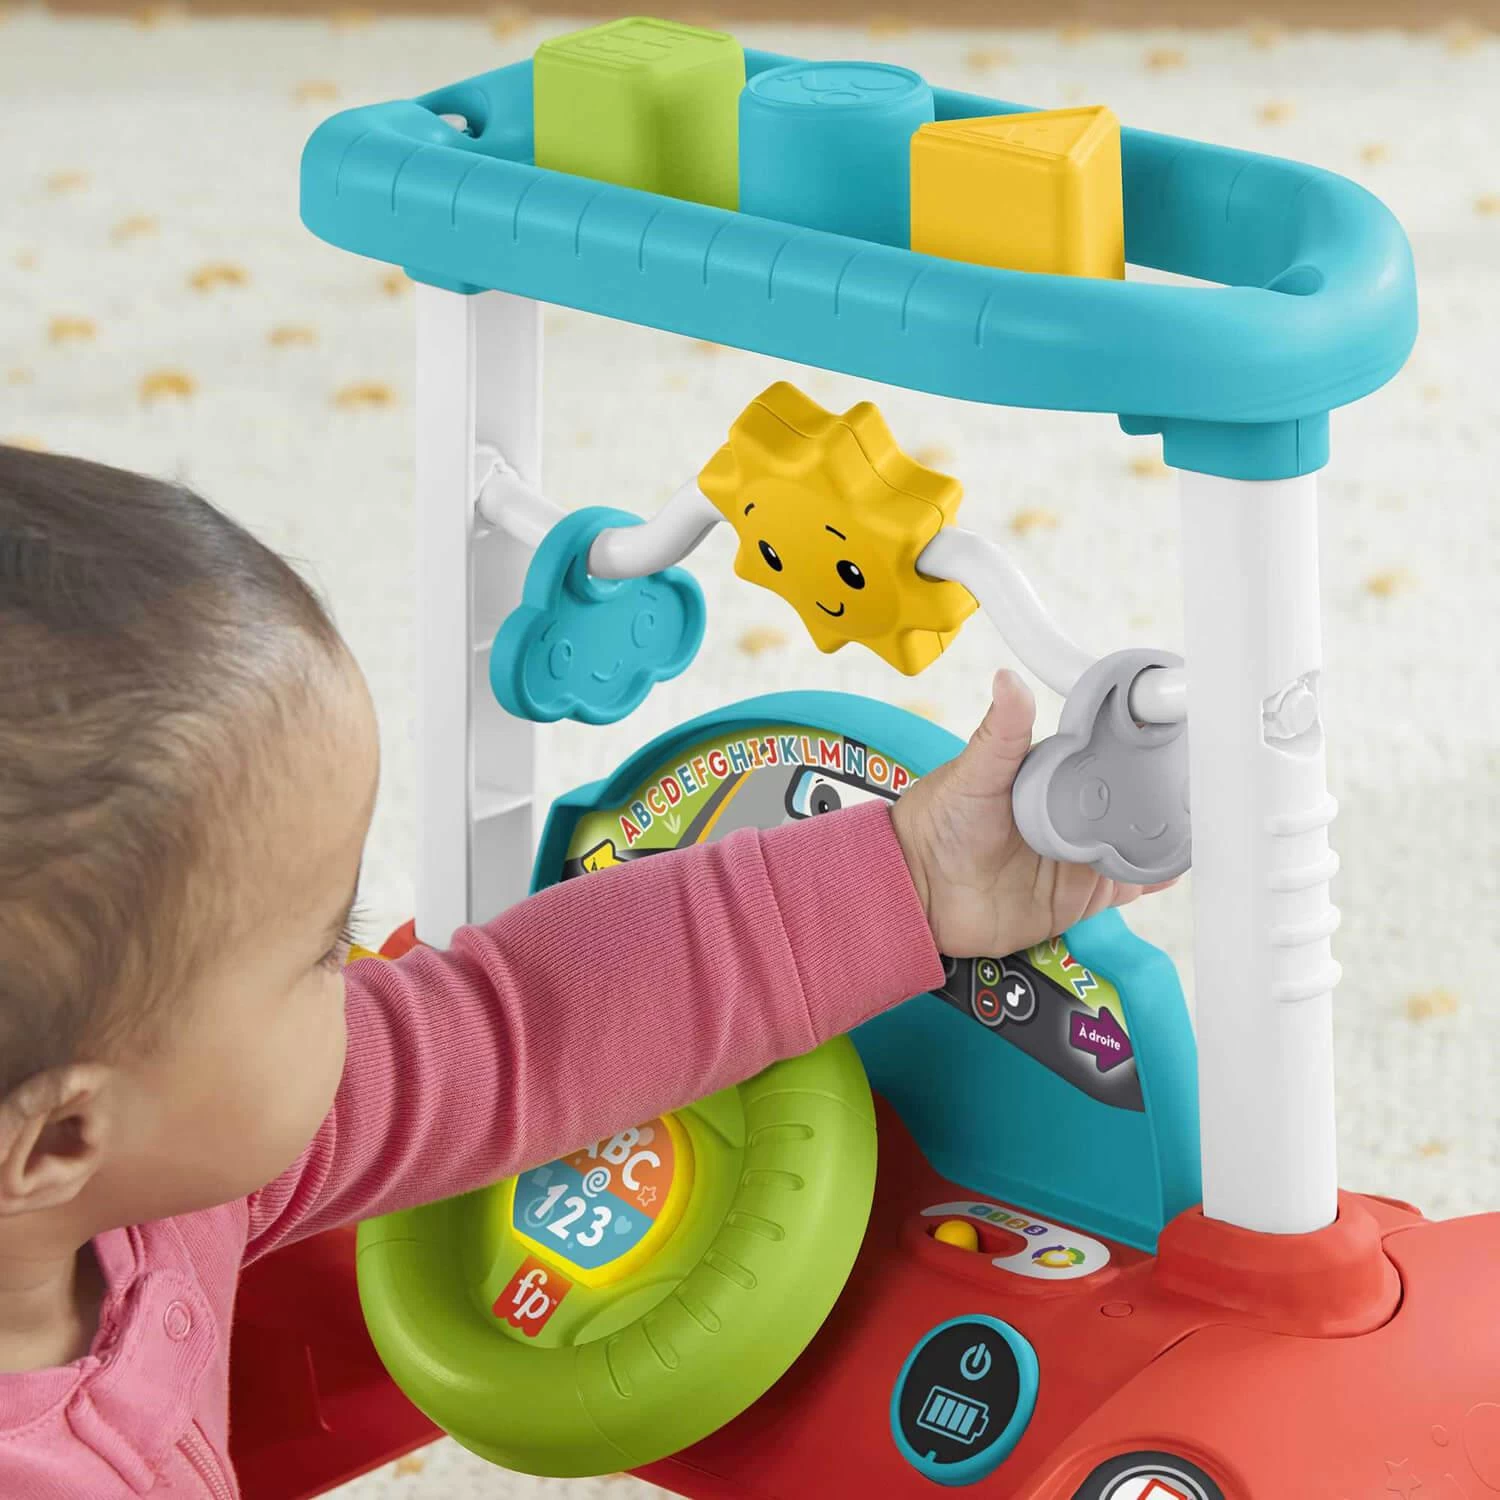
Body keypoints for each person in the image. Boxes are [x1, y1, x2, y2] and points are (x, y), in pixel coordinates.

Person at [0, 444, 1165, 1496]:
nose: (360, 968)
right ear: (58, 1138)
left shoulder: (166, 1156)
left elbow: (526, 1027)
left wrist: (908, 878)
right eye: (319, 952)